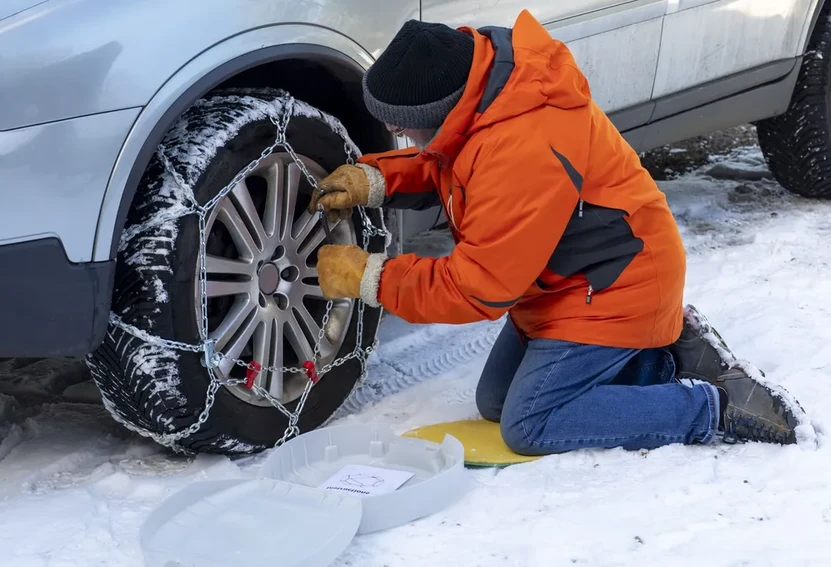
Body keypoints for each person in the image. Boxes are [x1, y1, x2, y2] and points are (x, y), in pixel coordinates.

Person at [308, 10, 804, 455]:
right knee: (495, 401)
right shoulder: (488, 91)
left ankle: (714, 404)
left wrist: (369, 276)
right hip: (564, 284)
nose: (401, 139)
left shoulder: (522, 147)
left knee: (530, 423)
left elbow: (477, 288)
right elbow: (449, 159)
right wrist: (377, 179)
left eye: (406, 129)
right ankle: (666, 356)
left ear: (441, 113)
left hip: (615, 288)